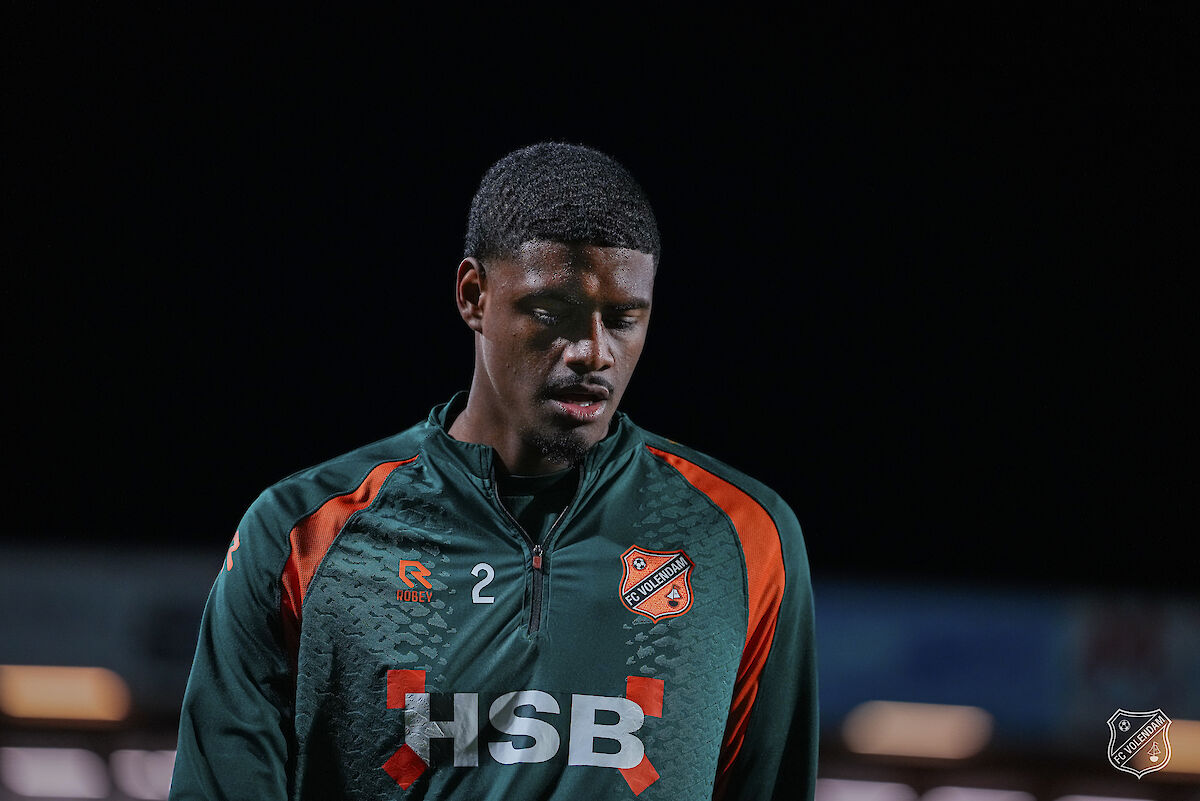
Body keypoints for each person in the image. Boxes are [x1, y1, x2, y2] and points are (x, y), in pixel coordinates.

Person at [169, 142, 818, 800]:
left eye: (623, 320)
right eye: (552, 313)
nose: (593, 352)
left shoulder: (742, 537)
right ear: (474, 295)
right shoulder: (304, 535)